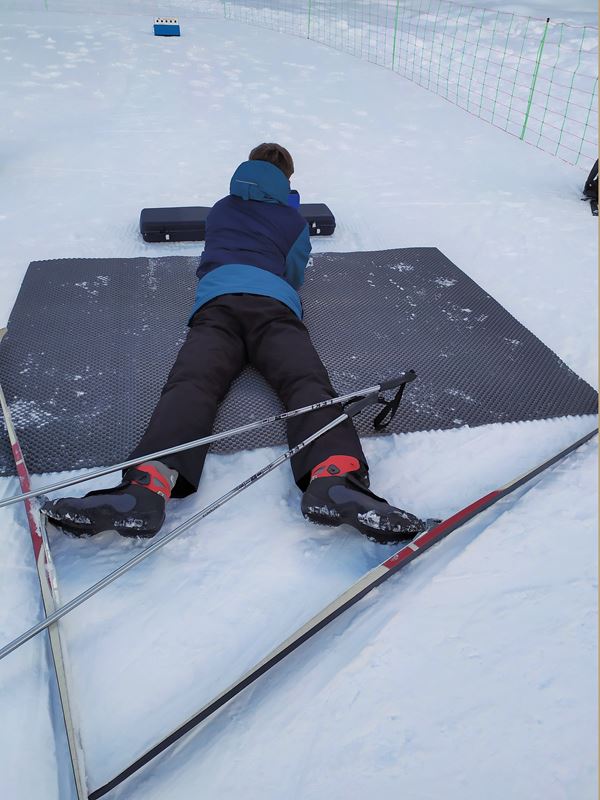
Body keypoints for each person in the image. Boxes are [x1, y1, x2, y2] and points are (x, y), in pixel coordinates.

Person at [43, 143, 426, 544]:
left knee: (192, 384)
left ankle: (145, 485)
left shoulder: (221, 209)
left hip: (218, 304)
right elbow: (295, 273)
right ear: (286, 178)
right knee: (305, 383)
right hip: (272, 306)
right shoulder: (292, 220)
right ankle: (335, 479)